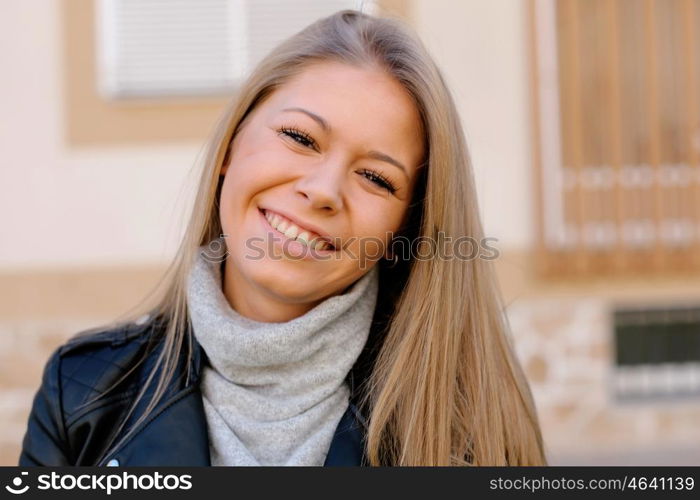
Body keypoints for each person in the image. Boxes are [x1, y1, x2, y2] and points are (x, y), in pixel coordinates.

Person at [19, 9, 546, 466]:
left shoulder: (467, 428)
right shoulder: (82, 394)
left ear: (402, 228)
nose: (323, 191)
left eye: (377, 178)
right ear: (229, 146)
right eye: (300, 138)